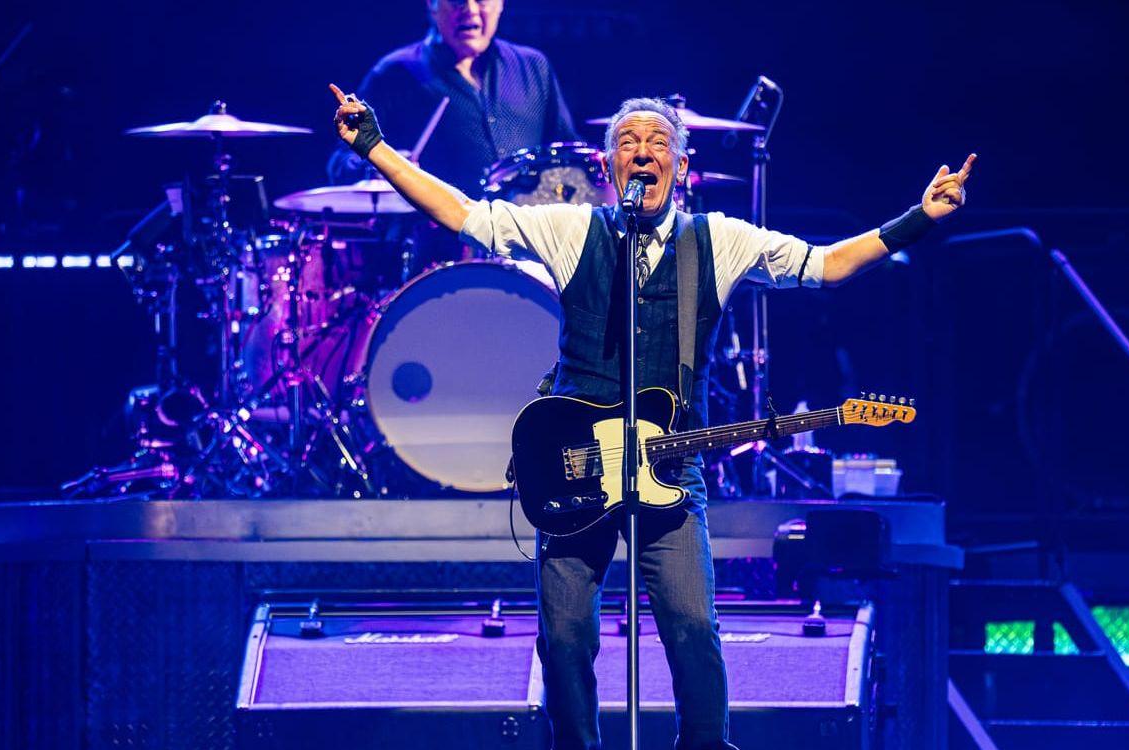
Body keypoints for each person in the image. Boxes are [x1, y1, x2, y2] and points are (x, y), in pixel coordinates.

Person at [329, 84, 974, 750]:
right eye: (629, 144)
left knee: (693, 625)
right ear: (609, 169)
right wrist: (376, 147)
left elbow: (827, 265)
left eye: (658, 143)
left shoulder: (718, 241)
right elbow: (462, 213)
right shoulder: (572, 226)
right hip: (573, 461)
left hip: (669, 463)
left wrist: (917, 218)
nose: (643, 152)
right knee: (567, 633)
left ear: (683, 167)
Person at [326, 0, 578, 197]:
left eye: (480, 0)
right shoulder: (395, 74)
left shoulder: (533, 67)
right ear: (432, 6)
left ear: (500, 4)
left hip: (525, 243)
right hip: (439, 248)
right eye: (457, 0)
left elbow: (570, 155)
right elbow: (341, 163)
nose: (469, 9)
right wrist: (377, 167)